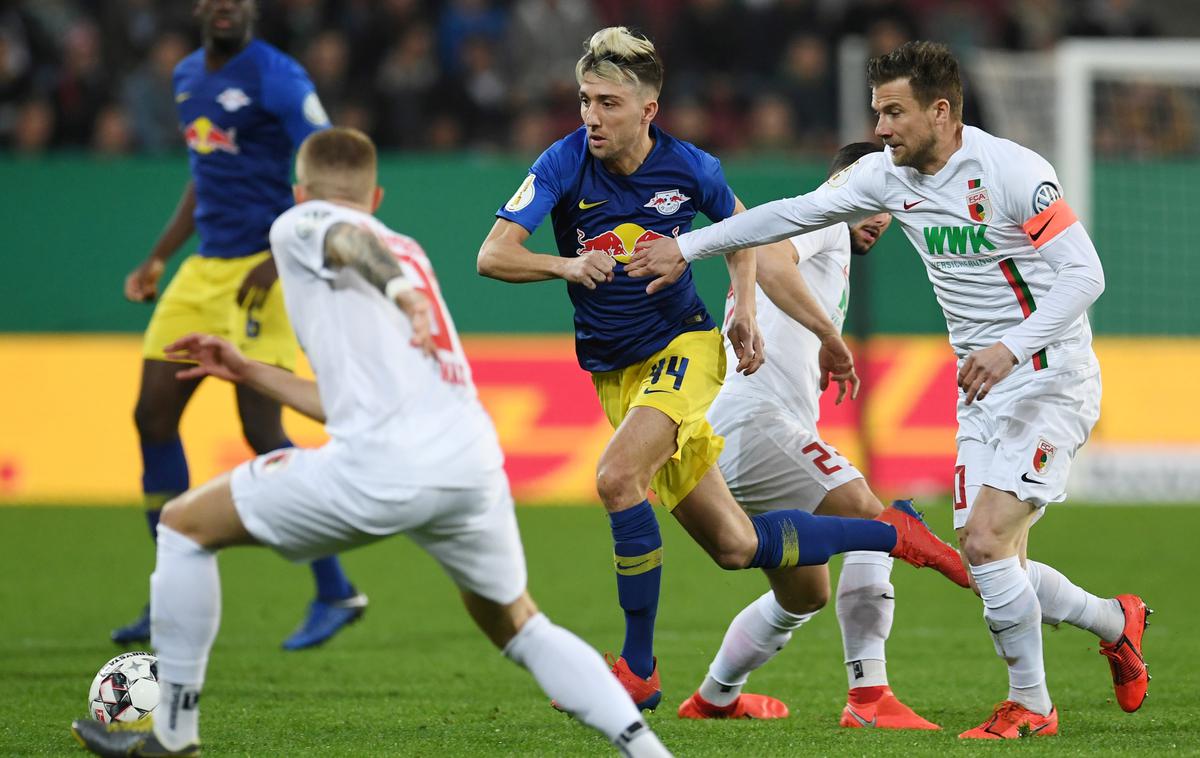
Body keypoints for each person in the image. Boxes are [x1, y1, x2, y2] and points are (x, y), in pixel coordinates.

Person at [71, 127, 673, 758]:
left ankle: (174, 736)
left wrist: (400, 294)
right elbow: (344, 401)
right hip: (468, 463)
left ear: (300, 192)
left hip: (385, 465)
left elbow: (343, 237)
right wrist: (247, 368)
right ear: (378, 194)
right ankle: (648, 753)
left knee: (182, 526)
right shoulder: (409, 248)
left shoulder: (303, 224)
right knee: (520, 624)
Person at [629, 40, 1151, 739]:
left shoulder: (1015, 173)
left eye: (893, 112)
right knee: (992, 557)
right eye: (876, 111)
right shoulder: (884, 176)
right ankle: (1117, 622)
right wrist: (686, 247)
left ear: (940, 111)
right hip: (980, 388)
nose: (880, 127)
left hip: (1048, 377)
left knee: (990, 543)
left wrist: (1009, 346)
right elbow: (784, 217)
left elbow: (1086, 277)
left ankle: (1031, 705)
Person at [477, 27, 968, 711]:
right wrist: (564, 263)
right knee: (737, 548)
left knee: (619, 479)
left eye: (609, 103)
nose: (592, 116)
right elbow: (492, 256)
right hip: (615, 374)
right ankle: (892, 532)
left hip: (684, 349)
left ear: (648, 110)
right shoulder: (561, 164)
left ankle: (639, 668)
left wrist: (742, 308)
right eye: (586, 100)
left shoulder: (692, 168)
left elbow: (744, 233)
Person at [113, 0, 366, 651]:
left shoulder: (279, 77)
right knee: (151, 416)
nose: (226, 5)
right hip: (203, 271)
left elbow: (334, 168)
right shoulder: (187, 75)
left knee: (261, 429)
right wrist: (159, 255)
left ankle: (336, 588)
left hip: (264, 266)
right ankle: (166, 590)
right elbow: (206, 174)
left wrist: (286, 256)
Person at [680, 142, 955, 729]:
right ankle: (869, 699)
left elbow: (760, 256)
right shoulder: (826, 214)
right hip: (756, 418)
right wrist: (831, 336)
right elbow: (771, 256)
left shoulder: (827, 230)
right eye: (878, 198)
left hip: (745, 425)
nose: (884, 216)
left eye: (893, 206)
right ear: (851, 183)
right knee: (870, 519)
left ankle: (714, 697)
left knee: (804, 594)